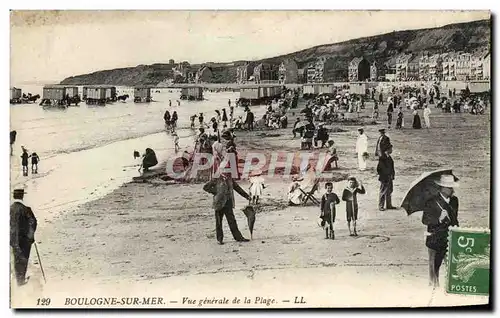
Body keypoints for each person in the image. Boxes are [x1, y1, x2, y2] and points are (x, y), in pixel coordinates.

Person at [422, 174, 459, 287]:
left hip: (448, 237)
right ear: (442, 188)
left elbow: (455, 218)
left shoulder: (454, 201)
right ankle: (433, 286)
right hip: (435, 238)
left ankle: (449, 286)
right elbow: (425, 220)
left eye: (452, 187)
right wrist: (438, 219)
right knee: (434, 266)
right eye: (449, 188)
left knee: (451, 264)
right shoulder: (431, 201)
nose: (452, 190)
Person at [203, 173, 251, 245]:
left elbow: (237, 188)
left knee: (232, 221)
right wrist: (216, 192)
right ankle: (219, 239)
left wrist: (247, 196)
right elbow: (206, 187)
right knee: (219, 222)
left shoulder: (230, 179)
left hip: (228, 203)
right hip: (219, 203)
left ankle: (238, 238)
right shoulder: (216, 178)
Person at [10, 189, 37, 286]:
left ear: (14, 196)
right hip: (25, 240)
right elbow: (33, 222)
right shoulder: (26, 209)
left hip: (13, 239)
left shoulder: (9, 209)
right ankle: (21, 280)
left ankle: (18, 279)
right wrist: (31, 236)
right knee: (24, 258)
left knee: (16, 257)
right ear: (22, 196)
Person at [376, 145, 395, 211]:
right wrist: (385, 174)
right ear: (388, 149)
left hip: (389, 177)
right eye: (391, 149)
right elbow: (379, 168)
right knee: (383, 191)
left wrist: (392, 175)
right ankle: (381, 206)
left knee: (389, 191)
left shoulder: (388, 157)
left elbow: (392, 167)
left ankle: (389, 205)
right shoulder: (382, 158)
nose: (392, 150)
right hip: (384, 177)